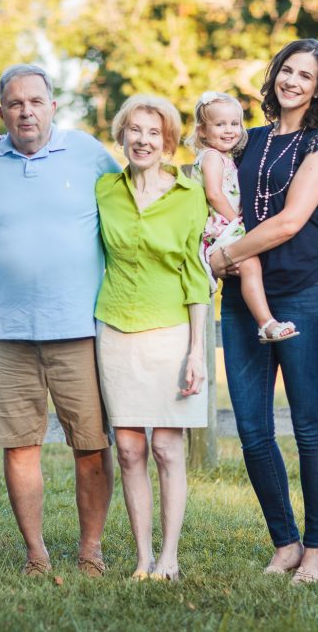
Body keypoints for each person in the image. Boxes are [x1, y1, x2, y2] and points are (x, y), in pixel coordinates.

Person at [0, 64, 120, 577]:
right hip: (9, 331)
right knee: (19, 445)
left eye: (36, 101)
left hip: (80, 329)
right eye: (15, 103)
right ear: (1, 112)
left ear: (53, 105)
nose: (26, 110)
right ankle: (36, 553)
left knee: (92, 446)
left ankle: (90, 550)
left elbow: (134, 206)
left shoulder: (91, 154)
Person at [208, 39, 318, 584]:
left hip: (303, 294)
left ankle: (317, 548)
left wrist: (225, 255)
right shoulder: (249, 141)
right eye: (286, 70)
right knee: (251, 428)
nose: (292, 81)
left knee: (309, 425)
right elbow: (202, 162)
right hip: (243, 302)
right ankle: (284, 542)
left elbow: (289, 222)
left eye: (306, 75)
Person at [95, 94, 210, 581]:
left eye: (154, 133)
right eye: (134, 130)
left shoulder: (190, 195)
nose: (142, 140)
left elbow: (196, 276)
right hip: (115, 328)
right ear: (121, 135)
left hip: (170, 332)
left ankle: (170, 557)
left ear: (168, 143)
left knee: (166, 447)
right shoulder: (103, 188)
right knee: (128, 449)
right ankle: (143, 559)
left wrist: (197, 351)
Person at [188, 91, 298, 342]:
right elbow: (214, 194)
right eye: (220, 124)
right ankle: (266, 323)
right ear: (203, 131)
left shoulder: (223, 157)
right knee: (250, 263)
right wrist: (239, 222)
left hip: (223, 225)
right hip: (219, 227)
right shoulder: (212, 157)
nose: (229, 130)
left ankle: (265, 320)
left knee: (249, 265)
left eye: (234, 124)